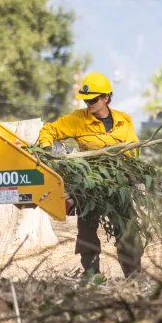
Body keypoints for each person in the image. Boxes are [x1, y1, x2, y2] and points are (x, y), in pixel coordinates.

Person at [37, 72, 142, 277]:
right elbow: (48, 131)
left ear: (106, 97)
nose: (89, 103)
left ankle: (134, 275)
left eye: (93, 99)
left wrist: (128, 170)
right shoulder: (77, 120)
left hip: (117, 183)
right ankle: (92, 274)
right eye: (86, 100)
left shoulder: (124, 120)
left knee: (127, 228)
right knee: (87, 229)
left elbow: (133, 150)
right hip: (90, 183)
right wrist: (49, 151)